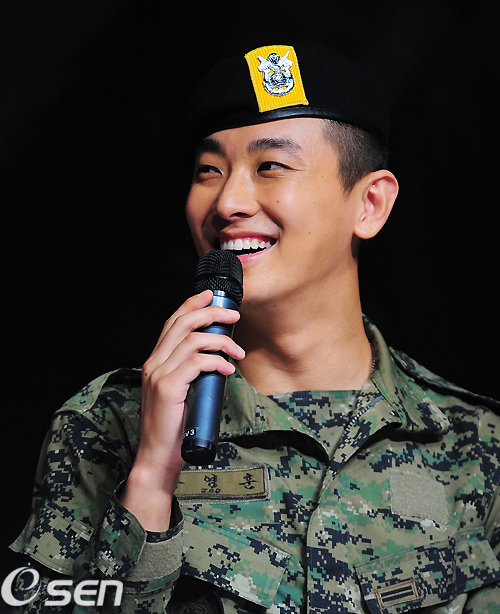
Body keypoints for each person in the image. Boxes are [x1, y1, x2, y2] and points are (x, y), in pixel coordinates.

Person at [10, 41, 500, 613]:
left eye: (270, 167)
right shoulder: (107, 424)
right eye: (208, 171)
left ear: (370, 203)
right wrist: (152, 478)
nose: (228, 202)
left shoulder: (476, 444)